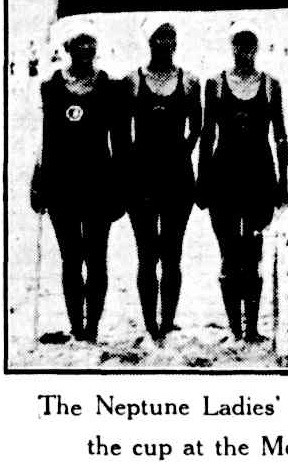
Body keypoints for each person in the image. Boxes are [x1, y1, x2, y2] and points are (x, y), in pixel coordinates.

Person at [30, 18, 126, 342]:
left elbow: (120, 142)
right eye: (79, 42)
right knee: (71, 258)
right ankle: (76, 327)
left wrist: (120, 187)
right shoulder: (52, 87)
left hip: (98, 182)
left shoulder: (109, 87)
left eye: (91, 42)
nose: (86, 48)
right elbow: (45, 138)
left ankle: (92, 328)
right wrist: (37, 180)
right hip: (61, 184)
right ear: (67, 48)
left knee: (96, 258)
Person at [197, 22, 288, 342]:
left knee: (253, 253)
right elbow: (207, 135)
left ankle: (252, 328)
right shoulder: (216, 85)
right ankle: (235, 328)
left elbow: (280, 136)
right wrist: (202, 179)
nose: (244, 50)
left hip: (260, 178)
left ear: (257, 48)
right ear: (232, 46)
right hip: (224, 178)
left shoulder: (270, 86)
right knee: (228, 253)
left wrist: (284, 182)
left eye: (250, 44)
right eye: (239, 44)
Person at [125, 19, 201, 341]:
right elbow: (120, 129)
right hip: (141, 178)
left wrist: (182, 151)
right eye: (159, 38)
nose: (165, 43)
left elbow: (197, 126)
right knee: (146, 254)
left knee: (172, 253)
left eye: (170, 37)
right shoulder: (132, 81)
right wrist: (133, 163)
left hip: (177, 177)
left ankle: (167, 320)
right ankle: (150, 324)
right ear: (149, 42)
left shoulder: (188, 82)